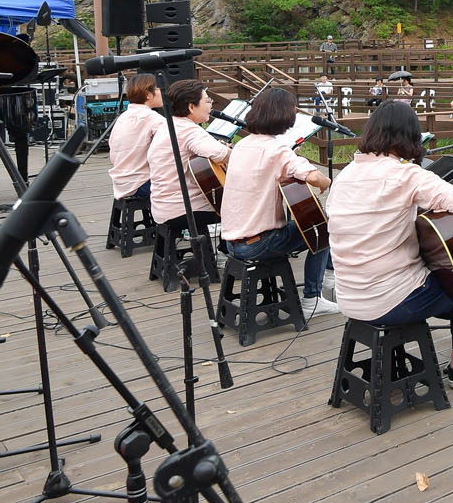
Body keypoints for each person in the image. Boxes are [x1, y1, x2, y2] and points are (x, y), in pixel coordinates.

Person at [326, 101, 453, 387]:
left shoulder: (345, 175)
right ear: (410, 135)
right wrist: (433, 239)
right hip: (390, 299)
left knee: (446, 284)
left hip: (348, 297)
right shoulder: (405, 175)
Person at [217, 88, 339, 321]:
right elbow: (315, 177)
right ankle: (313, 298)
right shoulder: (277, 150)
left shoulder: (241, 145)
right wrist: (326, 181)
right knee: (323, 227)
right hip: (259, 244)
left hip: (232, 242)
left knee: (316, 224)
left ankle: (325, 280)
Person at [146, 78, 231, 227]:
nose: (211, 105)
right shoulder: (189, 130)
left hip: (162, 207)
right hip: (184, 209)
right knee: (246, 205)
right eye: (207, 101)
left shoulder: (168, 125)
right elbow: (223, 155)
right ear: (191, 107)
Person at [108, 73, 164, 200]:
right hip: (140, 183)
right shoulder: (153, 118)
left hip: (121, 182)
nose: (161, 92)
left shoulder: (122, 117)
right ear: (148, 94)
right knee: (190, 184)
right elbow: (171, 147)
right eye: (158, 88)